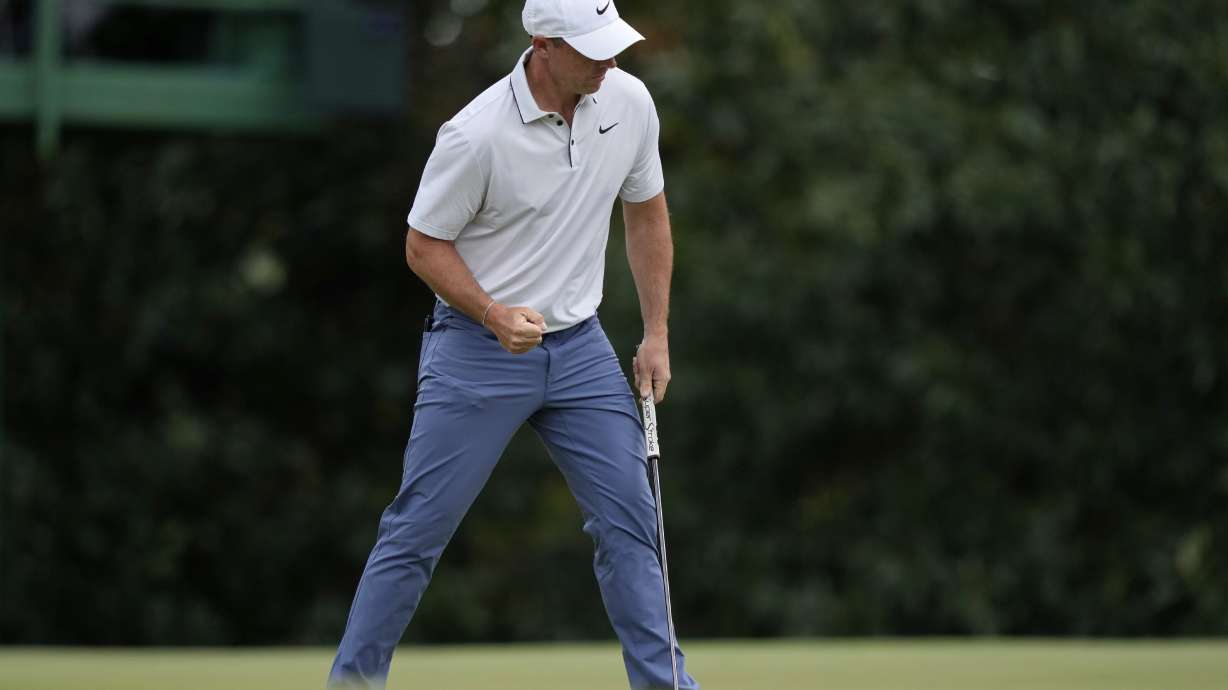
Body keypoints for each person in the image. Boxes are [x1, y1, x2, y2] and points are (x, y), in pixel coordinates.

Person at [327, 1, 699, 688]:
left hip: (582, 349)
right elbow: (422, 244)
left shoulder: (628, 102)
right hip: (476, 350)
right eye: (592, 49)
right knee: (416, 533)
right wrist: (492, 312)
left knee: (631, 527)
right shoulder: (476, 135)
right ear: (543, 44)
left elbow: (646, 213)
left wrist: (655, 334)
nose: (610, 60)